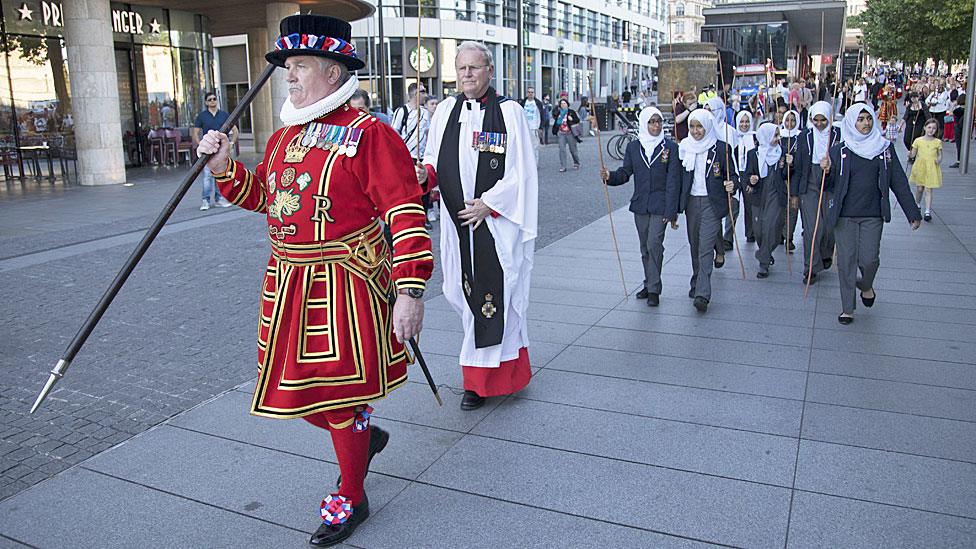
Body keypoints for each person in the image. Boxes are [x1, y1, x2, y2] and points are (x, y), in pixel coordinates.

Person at [197, 15, 433, 546]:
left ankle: (352, 493)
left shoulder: (370, 136)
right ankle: (362, 437)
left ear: (332, 71)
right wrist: (223, 167)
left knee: (336, 399)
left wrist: (411, 290)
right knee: (294, 394)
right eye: (288, 67)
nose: (290, 76)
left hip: (344, 288)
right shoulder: (285, 136)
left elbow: (405, 213)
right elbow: (263, 198)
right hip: (286, 288)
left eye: (299, 66)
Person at [419, 40, 538, 411]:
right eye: (462, 69)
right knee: (458, 292)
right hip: (458, 228)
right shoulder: (446, 111)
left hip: (495, 227)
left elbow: (522, 171)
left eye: (474, 68)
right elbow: (433, 162)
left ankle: (480, 381)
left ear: (489, 70)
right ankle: (488, 373)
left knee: (494, 297)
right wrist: (421, 174)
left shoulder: (510, 113)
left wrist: (490, 204)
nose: (467, 75)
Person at [824, 103, 921, 325]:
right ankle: (847, 308)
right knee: (846, 262)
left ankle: (866, 285)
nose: (866, 123)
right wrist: (826, 169)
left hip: (872, 214)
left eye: (868, 118)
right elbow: (827, 185)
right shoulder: (839, 150)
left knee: (869, 260)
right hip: (844, 215)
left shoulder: (884, 149)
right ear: (851, 122)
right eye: (860, 119)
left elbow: (899, 182)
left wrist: (912, 213)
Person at [599, 107, 681, 306]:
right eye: (652, 122)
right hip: (640, 205)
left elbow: (674, 182)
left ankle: (654, 289)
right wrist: (610, 177)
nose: (656, 125)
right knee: (645, 247)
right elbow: (626, 172)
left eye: (659, 122)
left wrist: (672, 212)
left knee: (655, 244)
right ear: (644, 123)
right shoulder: (634, 147)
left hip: (661, 206)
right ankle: (648, 282)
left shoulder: (670, 147)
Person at [678, 109, 737, 313]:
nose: (696, 131)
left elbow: (733, 175)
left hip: (712, 203)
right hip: (692, 202)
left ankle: (703, 293)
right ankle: (697, 279)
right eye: (692, 126)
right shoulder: (684, 147)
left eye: (700, 126)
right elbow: (677, 179)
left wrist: (732, 185)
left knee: (704, 247)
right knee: (695, 245)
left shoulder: (721, 148)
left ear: (708, 126)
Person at [794, 101, 841, 282]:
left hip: (831, 184)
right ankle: (810, 268)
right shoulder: (804, 136)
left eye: (823, 120)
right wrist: (795, 195)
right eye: (816, 120)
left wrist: (831, 165)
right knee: (813, 227)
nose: (820, 124)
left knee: (829, 226)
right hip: (810, 184)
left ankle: (825, 253)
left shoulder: (838, 134)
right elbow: (798, 167)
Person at [745, 122, 786, 278]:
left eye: (778, 135)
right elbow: (747, 174)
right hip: (759, 195)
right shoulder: (753, 154)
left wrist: (788, 165)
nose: (777, 139)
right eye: (775, 135)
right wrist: (751, 179)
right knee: (759, 230)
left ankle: (763, 263)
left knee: (771, 227)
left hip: (776, 195)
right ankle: (765, 252)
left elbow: (787, 174)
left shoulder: (782, 153)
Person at [192, 91, 238, 210]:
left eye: (214, 99)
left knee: (220, 174)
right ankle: (205, 200)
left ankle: (219, 199)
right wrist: (200, 145)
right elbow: (195, 132)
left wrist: (232, 143)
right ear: (206, 102)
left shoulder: (223, 115)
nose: (213, 101)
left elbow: (235, 129)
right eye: (210, 99)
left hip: (222, 149)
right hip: (209, 151)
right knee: (207, 176)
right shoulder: (202, 116)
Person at [705, 97, 736, 265]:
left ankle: (721, 248)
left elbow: (731, 157)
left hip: (721, 178)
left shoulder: (727, 131)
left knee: (717, 217)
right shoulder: (701, 126)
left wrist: (732, 181)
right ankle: (716, 248)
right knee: (711, 219)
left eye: (711, 110)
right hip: (706, 181)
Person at [909, 118, 942, 222]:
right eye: (929, 127)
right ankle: (917, 203)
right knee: (920, 189)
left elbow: (940, 155)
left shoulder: (937, 142)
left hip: (931, 167)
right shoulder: (918, 140)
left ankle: (927, 210)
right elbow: (913, 154)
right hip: (921, 167)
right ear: (924, 128)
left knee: (929, 189)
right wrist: (909, 154)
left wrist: (938, 160)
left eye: (934, 128)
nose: (931, 130)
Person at [732, 110, 758, 243]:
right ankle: (728, 237)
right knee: (733, 206)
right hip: (736, 173)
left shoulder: (754, 137)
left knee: (750, 205)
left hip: (748, 174)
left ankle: (751, 233)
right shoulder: (734, 137)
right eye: (741, 121)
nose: (744, 124)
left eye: (747, 121)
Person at [780, 109, 802, 253]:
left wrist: (793, 162)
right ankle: (780, 234)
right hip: (780, 179)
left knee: (793, 208)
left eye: (793, 120)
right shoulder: (778, 135)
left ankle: (789, 237)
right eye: (787, 120)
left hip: (794, 178)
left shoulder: (801, 137)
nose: (790, 123)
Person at [552, 98, 581, 172]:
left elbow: (577, 120)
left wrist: (572, 119)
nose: (563, 105)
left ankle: (576, 163)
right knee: (562, 149)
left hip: (570, 133)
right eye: (561, 104)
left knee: (573, 150)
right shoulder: (559, 113)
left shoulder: (571, 112)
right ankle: (563, 166)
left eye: (564, 103)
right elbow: (556, 122)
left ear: (567, 104)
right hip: (561, 133)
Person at [898, 93, 929, 160]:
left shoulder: (923, 105)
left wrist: (928, 125)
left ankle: (914, 154)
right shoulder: (909, 106)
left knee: (915, 137)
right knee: (906, 139)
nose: (913, 99)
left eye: (915, 97)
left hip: (919, 123)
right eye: (912, 98)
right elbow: (905, 116)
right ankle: (911, 151)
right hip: (910, 123)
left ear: (918, 97)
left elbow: (927, 116)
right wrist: (900, 125)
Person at [520, 87, 545, 161]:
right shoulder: (523, 103)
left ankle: (535, 163)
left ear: (534, 93)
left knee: (535, 147)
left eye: (532, 92)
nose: (530, 94)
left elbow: (541, 116)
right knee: (525, 147)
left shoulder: (538, 103)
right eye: (529, 92)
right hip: (525, 128)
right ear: (526, 93)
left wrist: (540, 127)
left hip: (534, 128)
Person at [950, 94, 966, 168]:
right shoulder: (968, 110)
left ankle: (959, 161)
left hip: (957, 128)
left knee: (959, 145)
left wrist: (953, 105)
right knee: (964, 145)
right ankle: (963, 160)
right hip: (965, 128)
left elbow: (950, 113)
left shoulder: (957, 110)